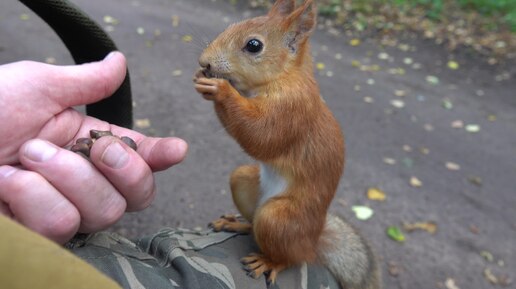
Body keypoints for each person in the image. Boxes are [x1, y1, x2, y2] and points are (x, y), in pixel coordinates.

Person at [0, 52, 340, 289]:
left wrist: (227, 97)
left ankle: (281, 258)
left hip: (292, 201)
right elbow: (246, 132)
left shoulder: (293, 96)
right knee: (241, 179)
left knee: (274, 223)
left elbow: (261, 144)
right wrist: (224, 99)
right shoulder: (267, 92)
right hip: (271, 186)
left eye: (251, 48)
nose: (209, 58)